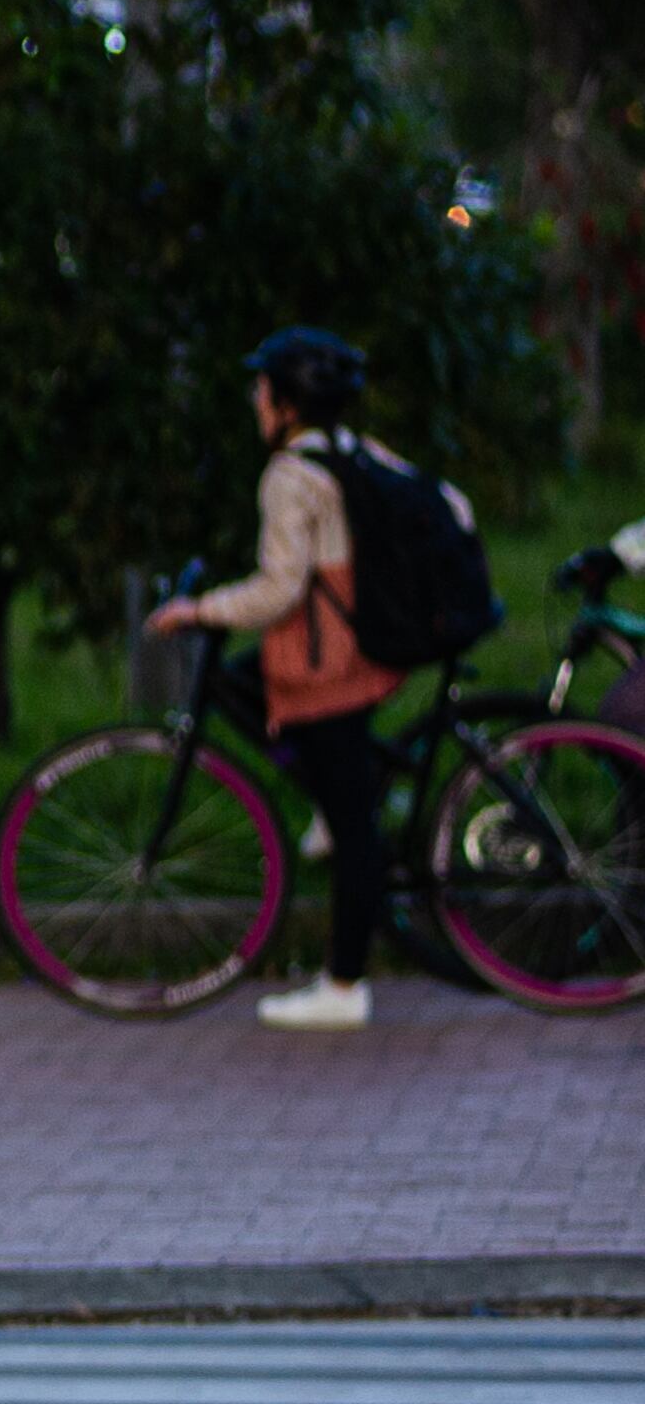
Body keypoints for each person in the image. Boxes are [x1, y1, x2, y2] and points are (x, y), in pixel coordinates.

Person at [147, 324, 445, 1032]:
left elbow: (280, 591)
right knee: (254, 690)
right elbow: (449, 504)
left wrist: (200, 608)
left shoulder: (288, 474)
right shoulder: (352, 449)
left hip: (327, 665)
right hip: (367, 645)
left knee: (355, 830)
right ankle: (340, 792)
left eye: (261, 387)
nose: (254, 399)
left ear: (285, 402)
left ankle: (344, 985)